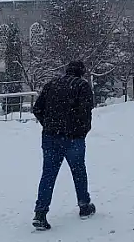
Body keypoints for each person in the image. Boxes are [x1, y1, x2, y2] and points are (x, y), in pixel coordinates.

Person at [30, 60, 96, 230]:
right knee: (79, 171)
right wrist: (81, 130)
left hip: (50, 137)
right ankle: (84, 205)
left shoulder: (52, 84)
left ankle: (40, 213)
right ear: (81, 72)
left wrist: (49, 124)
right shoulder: (82, 86)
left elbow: (37, 108)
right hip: (73, 137)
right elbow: (85, 111)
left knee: (48, 175)